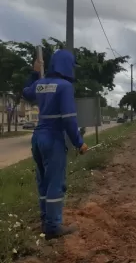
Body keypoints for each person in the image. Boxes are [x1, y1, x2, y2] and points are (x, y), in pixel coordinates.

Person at [22, 49, 88, 240]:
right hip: (53, 139)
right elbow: (69, 119)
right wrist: (79, 143)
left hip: (38, 138)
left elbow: (26, 94)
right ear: (67, 66)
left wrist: (34, 72)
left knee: (43, 181)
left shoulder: (40, 84)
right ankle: (53, 226)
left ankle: (45, 220)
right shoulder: (65, 86)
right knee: (55, 183)